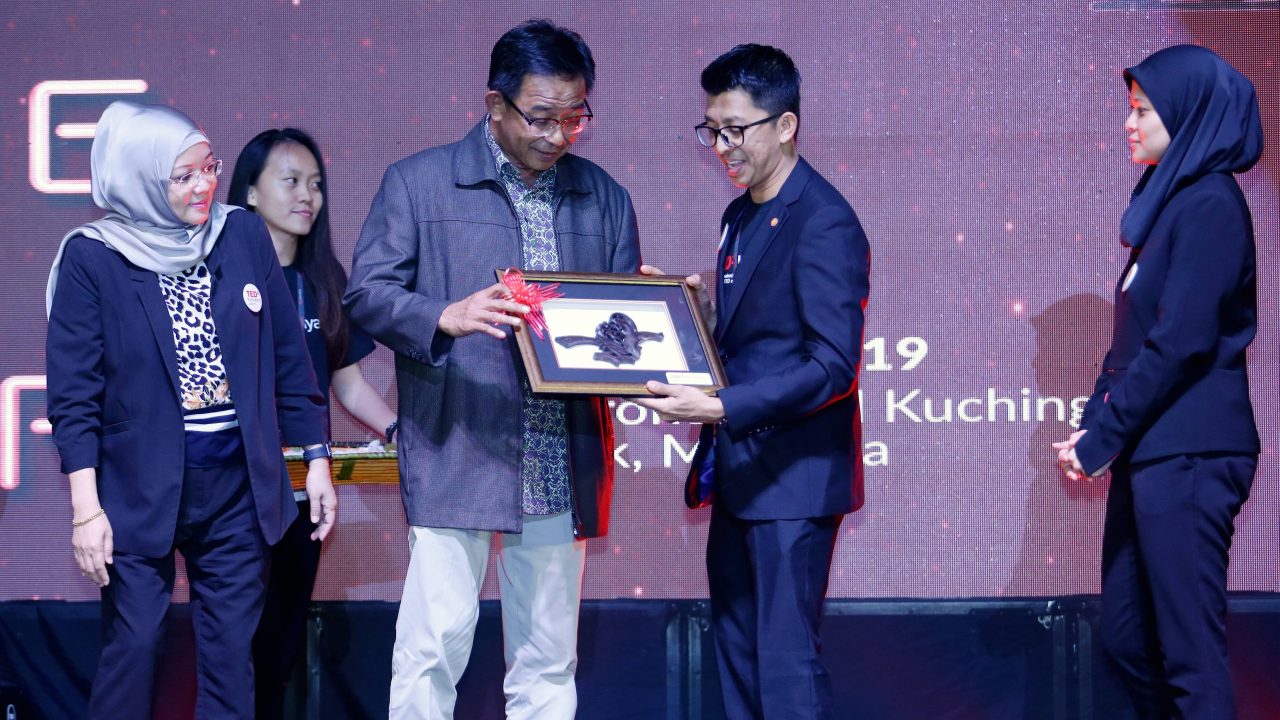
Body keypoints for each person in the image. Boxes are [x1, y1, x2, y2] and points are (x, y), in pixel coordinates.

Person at [343, 19, 640, 720]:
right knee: (433, 647)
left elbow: (621, 318)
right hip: (460, 443)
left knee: (548, 658)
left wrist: (650, 318)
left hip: (560, 453)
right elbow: (367, 294)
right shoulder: (420, 183)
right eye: (541, 117)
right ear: (495, 104)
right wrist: (442, 315)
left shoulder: (603, 196)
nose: (558, 135)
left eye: (575, 116)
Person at [45, 101, 337, 718]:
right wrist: (86, 511)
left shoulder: (241, 235)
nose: (203, 185)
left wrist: (316, 458)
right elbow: (74, 397)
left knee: (232, 657)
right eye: (183, 176)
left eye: (209, 167)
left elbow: (288, 355)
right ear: (140, 179)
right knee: (135, 647)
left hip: (236, 486)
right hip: (137, 486)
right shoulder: (93, 257)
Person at [635, 44, 870, 719]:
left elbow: (832, 366)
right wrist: (695, 316)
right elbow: (758, 340)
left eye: (735, 130)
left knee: (786, 665)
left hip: (795, 481)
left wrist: (720, 406)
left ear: (786, 125)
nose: (721, 147)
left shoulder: (824, 220)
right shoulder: (738, 215)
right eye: (712, 129)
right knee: (737, 656)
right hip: (741, 473)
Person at [1055, 44, 1263, 719]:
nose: (1129, 123)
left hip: (1192, 453)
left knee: (1188, 657)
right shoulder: (1171, 203)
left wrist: (1101, 440)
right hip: (1152, 451)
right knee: (1126, 640)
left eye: (1143, 111)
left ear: (1190, 115)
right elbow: (1133, 342)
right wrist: (1094, 424)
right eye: (1131, 109)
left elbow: (1178, 343)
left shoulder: (1210, 205)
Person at [227, 128, 397, 718]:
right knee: (232, 639)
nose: (308, 196)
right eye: (291, 181)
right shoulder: (216, 275)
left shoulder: (323, 280)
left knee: (281, 637)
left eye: (316, 184)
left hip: (305, 488)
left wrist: (395, 430)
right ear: (250, 192)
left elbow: (346, 384)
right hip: (232, 490)